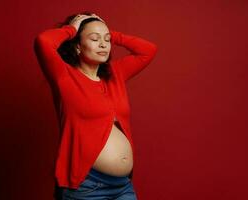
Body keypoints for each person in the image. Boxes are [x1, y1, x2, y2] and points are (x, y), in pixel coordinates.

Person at [34, 12, 157, 200]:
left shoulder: (115, 74)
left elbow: (148, 50)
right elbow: (43, 41)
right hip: (86, 186)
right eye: (94, 38)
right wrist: (72, 29)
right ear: (77, 46)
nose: (103, 44)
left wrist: (108, 32)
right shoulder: (64, 76)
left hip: (122, 185)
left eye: (106, 40)